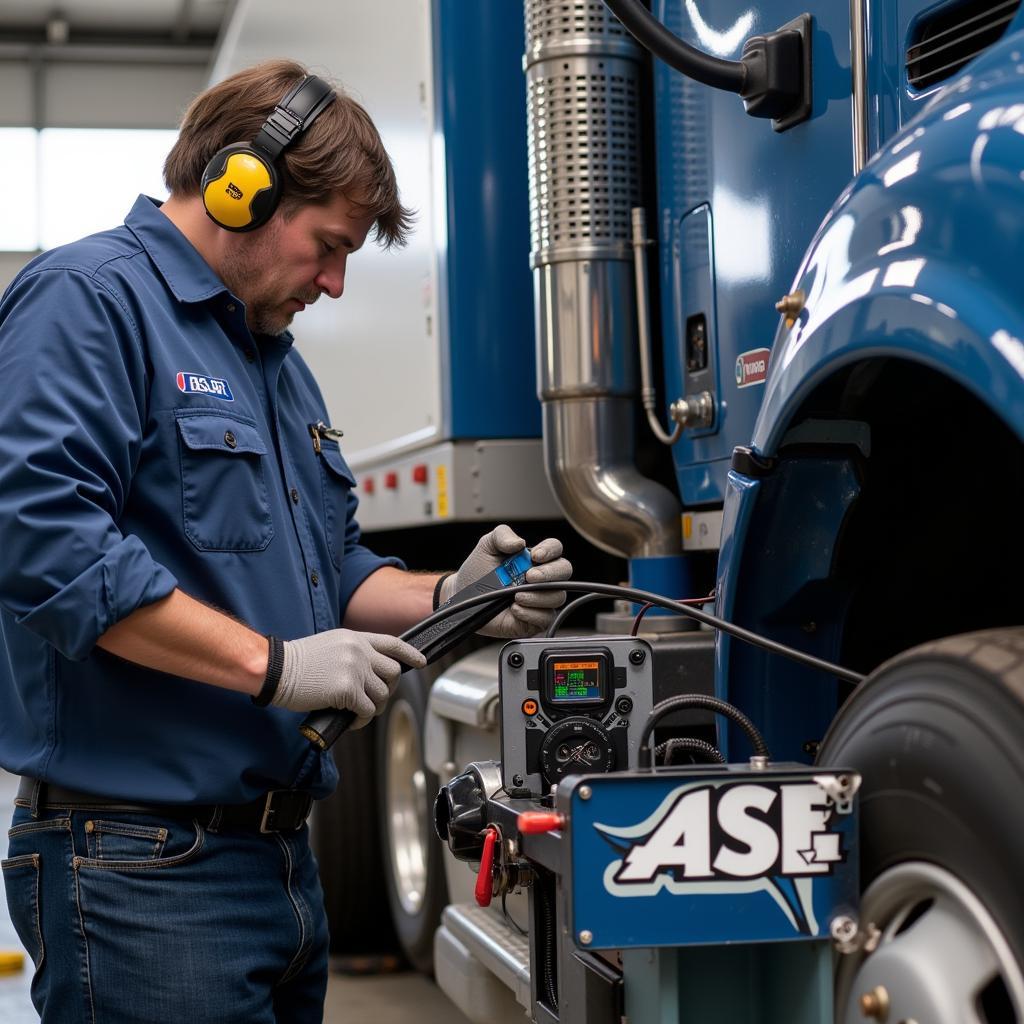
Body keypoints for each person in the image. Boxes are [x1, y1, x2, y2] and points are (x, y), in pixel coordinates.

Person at [0, 59, 571, 1023]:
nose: (338, 284)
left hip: (275, 865)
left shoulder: (272, 362)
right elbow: (45, 547)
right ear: (242, 186)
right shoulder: (88, 299)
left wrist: (455, 597)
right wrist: (273, 667)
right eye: (329, 246)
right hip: (142, 870)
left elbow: (331, 568)